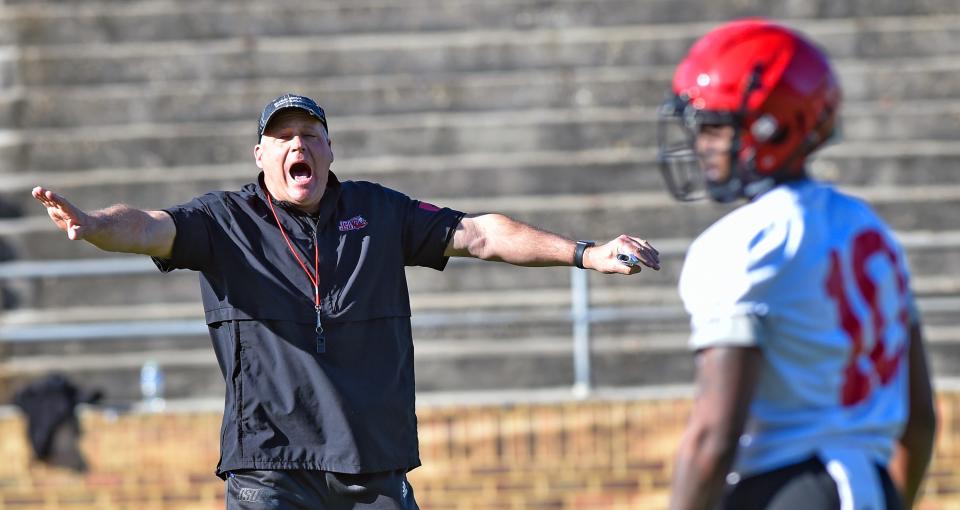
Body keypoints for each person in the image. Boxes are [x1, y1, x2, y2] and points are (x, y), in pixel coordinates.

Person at [31, 93, 660, 510]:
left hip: (372, 465)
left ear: (330, 152)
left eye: (309, 134)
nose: (296, 144)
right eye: (281, 138)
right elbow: (144, 226)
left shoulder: (378, 210)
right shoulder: (225, 219)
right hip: (269, 469)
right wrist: (92, 223)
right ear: (262, 157)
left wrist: (586, 252)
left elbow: (482, 232)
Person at [657, 19, 936, 510]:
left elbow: (713, 438)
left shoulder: (746, 243)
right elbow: (919, 421)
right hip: (876, 486)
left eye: (717, 126)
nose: (702, 143)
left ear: (775, 125)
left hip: (781, 492)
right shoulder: (871, 230)